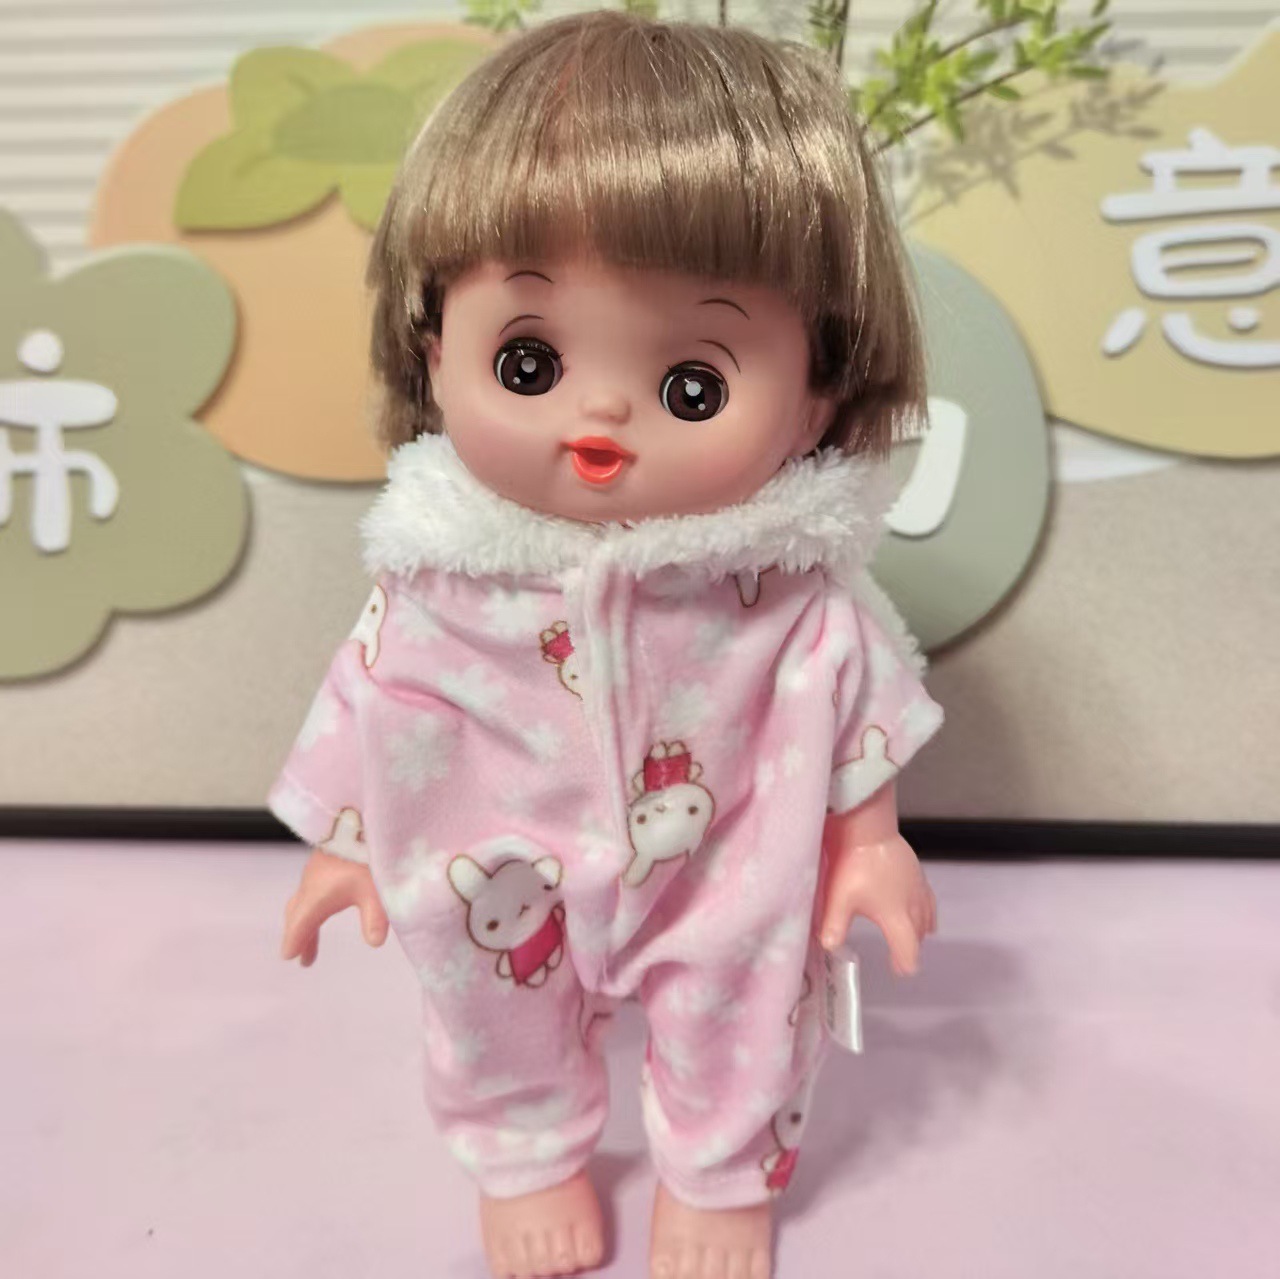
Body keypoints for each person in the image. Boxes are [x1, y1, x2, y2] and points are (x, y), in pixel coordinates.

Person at [271, 13, 943, 1278]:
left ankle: (720, 1173)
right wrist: (344, 844)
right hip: (490, 862)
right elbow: (371, 696)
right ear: (435, 349)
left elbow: (848, 709)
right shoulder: (436, 581)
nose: (600, 411)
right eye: (526, 360)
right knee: (484, 1004)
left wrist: (868, 844)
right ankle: (522, 1156)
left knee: (746, 1005)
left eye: (694, 383)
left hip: (725, 869)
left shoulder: (783, 597)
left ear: (817, 393)